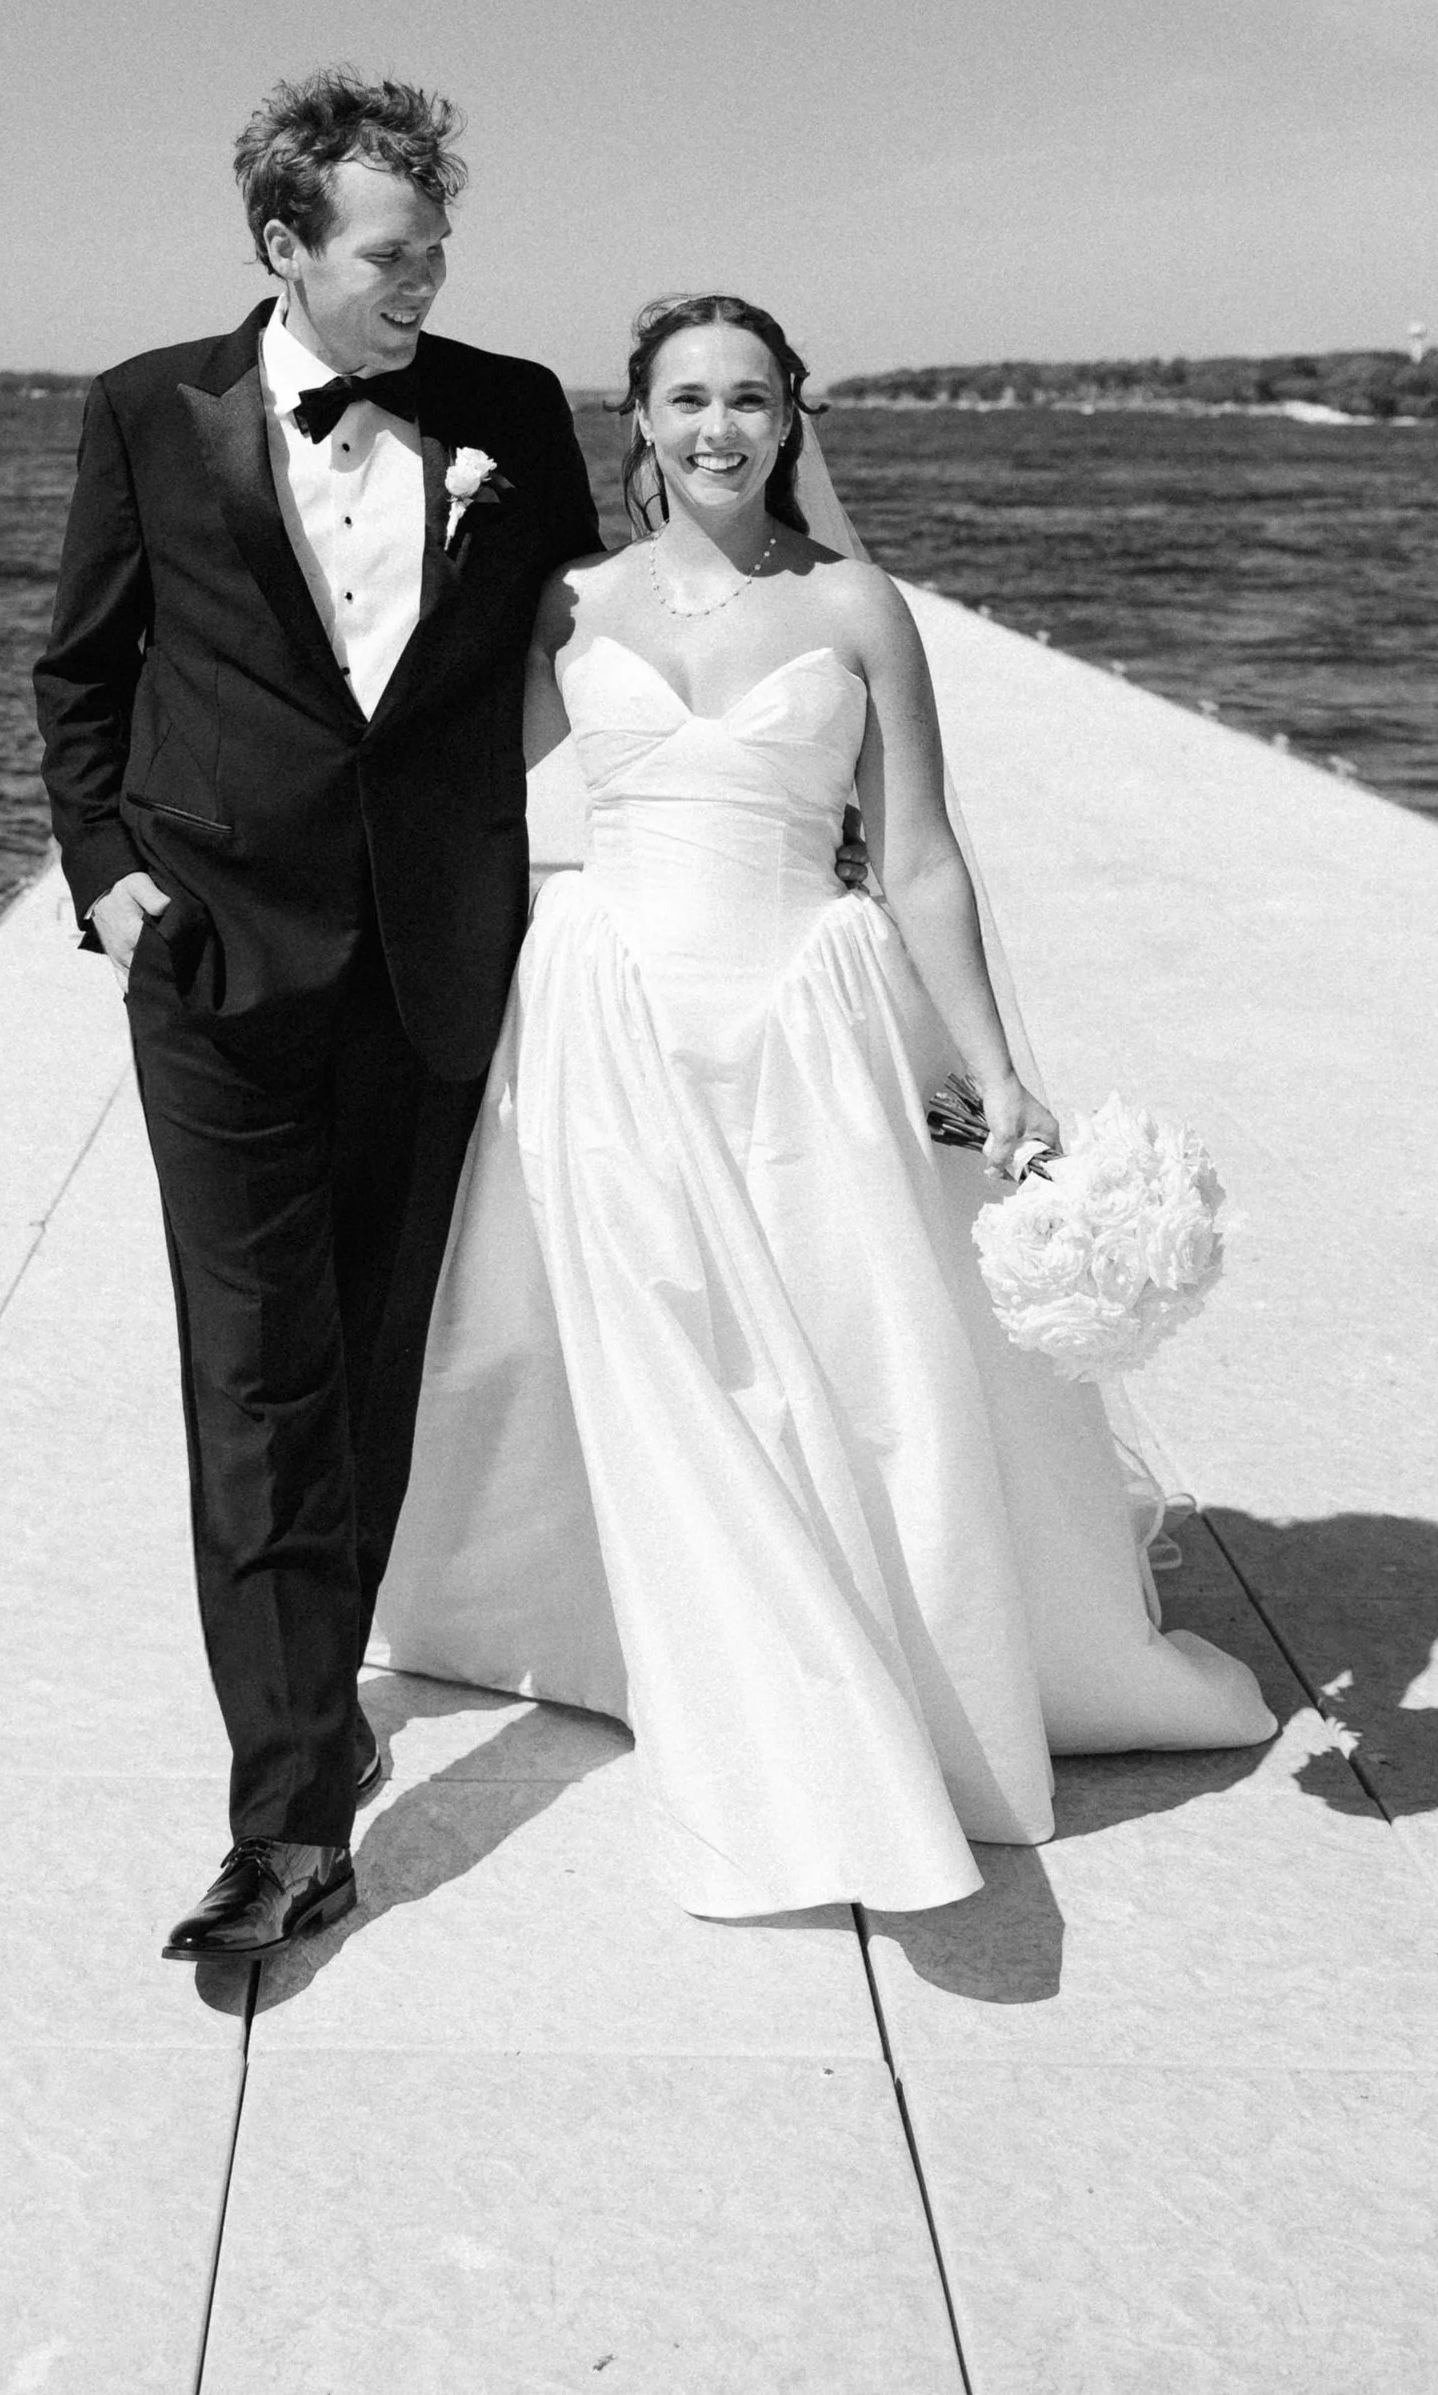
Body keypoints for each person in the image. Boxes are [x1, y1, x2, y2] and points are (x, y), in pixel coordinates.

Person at [375, 292, 1273, 1919]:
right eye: (683, 397)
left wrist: (996, 1068)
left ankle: (874, 1656)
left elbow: (918, 852)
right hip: (611, 1018)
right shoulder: (565, 600)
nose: (716, 426)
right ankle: (759, 1729)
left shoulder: (860, 607)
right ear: (633, 418)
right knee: (660, 1363)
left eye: (747, 397)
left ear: (793, 415)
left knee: (851, 1369)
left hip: (803, 1016)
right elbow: (474, 801)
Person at [33, 70, 602, 1961]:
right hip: (214, 965)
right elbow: (82, 668)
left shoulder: (510, 413)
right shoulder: (146, 408)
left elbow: (589, 640)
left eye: (437, 246)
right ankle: (287, 1816)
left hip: (438, 954)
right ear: (284, 246)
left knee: (364, 1365)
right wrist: (103, 867)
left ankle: (320, 1715)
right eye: (390, 250)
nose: (423, 276)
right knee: (256, 1377)